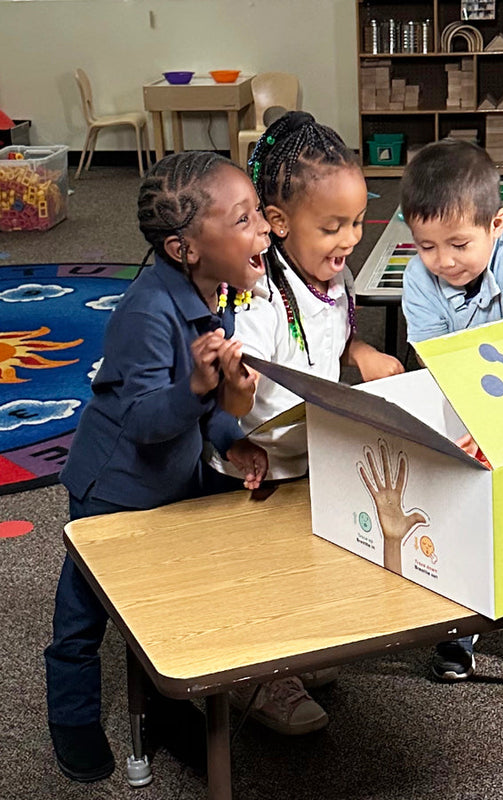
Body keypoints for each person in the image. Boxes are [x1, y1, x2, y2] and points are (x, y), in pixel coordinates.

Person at [45, 151, 270, 783]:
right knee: (82, 618)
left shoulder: (216, 292)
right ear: (185, 248)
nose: (265, 230)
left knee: (170, 608)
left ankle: (168, 717)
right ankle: (73, 721)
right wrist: (197, 387)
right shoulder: (146, 314)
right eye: (245, 219)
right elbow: (145, 421)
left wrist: (233, 439)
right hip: (112, 488)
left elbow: (210, 412)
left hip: (175, 482)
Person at [207, 110, 404, 733]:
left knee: (308, 558)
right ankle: (257, 681)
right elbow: (233, 385)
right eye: (332, 228)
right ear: (278, 222)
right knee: (255, 573)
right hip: (250, 458)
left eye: (355, 223)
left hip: (307, 448)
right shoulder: (255, 293)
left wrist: (361, 353)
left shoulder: (330, 272)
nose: (348, 241)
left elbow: (335, 334)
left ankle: (292, 653)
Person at [400, 138, 503, 687]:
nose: (443, 261)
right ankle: (458, 626)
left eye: (459, 244)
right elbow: (432, 358)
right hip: (454, 401)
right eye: (426, 246)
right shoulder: (420, 278)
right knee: (456, 511)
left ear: (498, 225)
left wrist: (500, 418)